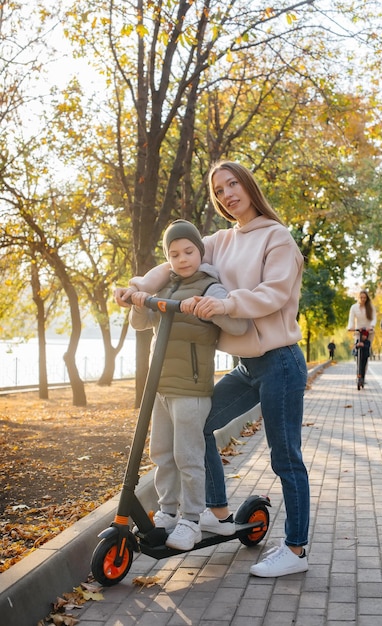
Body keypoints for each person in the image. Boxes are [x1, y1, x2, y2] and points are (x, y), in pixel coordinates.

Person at [116, 161, 310, 578]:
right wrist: (139, 288)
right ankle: (217, 512)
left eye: (232, 184)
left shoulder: (277, 238)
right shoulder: (220, 241)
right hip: (246, 366)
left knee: (285, 458)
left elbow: (273, 294)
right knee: (200, 425)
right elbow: (174, 261)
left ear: (248, 186)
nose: (227, 194)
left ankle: (295, 550)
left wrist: (225, 304)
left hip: (281, 362)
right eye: (219, 190)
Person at [127, 219, 247, 551]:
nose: (182, 259)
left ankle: (191, 519)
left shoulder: (211, 287)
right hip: (161, 388)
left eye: (188, 251)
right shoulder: (165, 287)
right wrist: (138, 300)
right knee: (162, 454)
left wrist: (213, 310)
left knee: (188, 456)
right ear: (168, 257)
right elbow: (141, 323)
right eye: (174, 253)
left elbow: (237, 325)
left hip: (191, 390)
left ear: (200, 251)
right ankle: (167, 512)